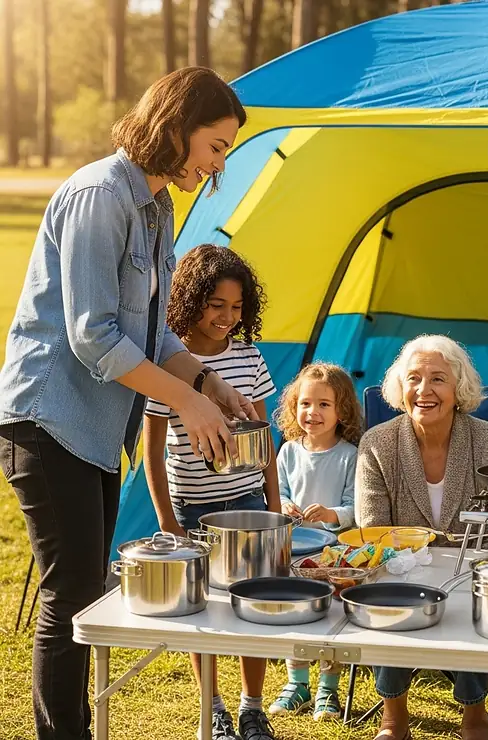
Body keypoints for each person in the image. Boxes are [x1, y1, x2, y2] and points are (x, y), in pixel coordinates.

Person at [0, 67, 252, 740]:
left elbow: (153, 329)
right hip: (48, 421)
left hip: (94, 428)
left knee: (83, 590)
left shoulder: (157, 202)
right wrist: (186, 405)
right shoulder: (99, 196)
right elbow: (92, 336)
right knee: (71, 597)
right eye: (216, 144)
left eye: (225, 148)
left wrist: (207, 384)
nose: (218, 161)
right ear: (177, 126)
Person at [143, 245, 279, 740]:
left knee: (252, 604)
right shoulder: (171, 363)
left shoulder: (249, 358)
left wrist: (274, 506)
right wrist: (167, 521)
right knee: (203, 609)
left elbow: (264, 443)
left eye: (237, 307)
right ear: (192, 300)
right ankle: (214, 705)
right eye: (216, 304)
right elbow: (152, 453)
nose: (227, 317)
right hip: (192, 508)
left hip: (248, 507)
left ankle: (252, 706)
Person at [355, 334, 488, 740]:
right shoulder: (377, 444)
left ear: (458, 389)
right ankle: (394, 717)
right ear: (400, 388)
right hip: (401, 572)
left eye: (438, 379)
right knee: (386, 590)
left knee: (481, 588)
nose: (424, 390)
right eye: (414, 379)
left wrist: (457, 558)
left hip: (468, 570)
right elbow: (373, 532)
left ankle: (474, 716)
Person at [268, 362, 363, 721]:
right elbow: (276, 495)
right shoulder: (289, 451)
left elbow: (356, 507)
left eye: (324, 404)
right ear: (294, 407)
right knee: (297, 614)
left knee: (331, 620)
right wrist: (284, 506)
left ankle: (328, 690)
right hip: (295, 552)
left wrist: (331, 513)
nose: (313, 412)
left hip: (335, 555)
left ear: (342, 411)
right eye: (306, 404)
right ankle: (297, 685)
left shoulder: (350, 456)